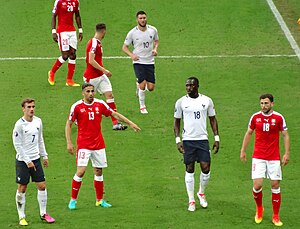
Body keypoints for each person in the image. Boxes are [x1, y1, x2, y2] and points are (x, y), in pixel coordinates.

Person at [65, 83, 141, 210]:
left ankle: (99, 200)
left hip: (98, 144)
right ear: (83, 93)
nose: (91, 94)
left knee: (98, 171)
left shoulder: (100, 104)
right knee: (81, 171)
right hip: (84, 145)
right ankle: (73, 200)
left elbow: (114, 114)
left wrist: (130, 123)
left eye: (92, 91)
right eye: (88, 91)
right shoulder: (77, 107)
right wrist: (69, 142)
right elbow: (69, 124)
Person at [240, 94, 290, 227]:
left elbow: (285, 135)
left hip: (274, 157)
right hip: (258, 156)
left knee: (275, 185)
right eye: (261, 103)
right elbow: (249, 133)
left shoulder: (279, 118)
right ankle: (259, 209)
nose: (263, 106)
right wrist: (243, 150)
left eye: (266, 103)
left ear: (272, 104)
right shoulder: (255, 117)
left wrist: (286, 153)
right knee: (257, 185)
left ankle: (275, 215)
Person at [173, 77, 220, 212]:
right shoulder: (181, 102)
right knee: (190, 168)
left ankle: (201, 192)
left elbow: (212, 119)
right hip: (188, 140)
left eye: (191, 85)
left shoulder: (206, 101)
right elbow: (176, 122)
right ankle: (191, 200)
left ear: (197, 86)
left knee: (206, 168)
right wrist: (178, 140)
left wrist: (216, 137)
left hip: (202, 139)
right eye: (187, 85)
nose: (189, 88)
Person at [13, 98, 55, 226]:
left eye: (33, 106)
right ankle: (22, 217)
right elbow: (17, 145)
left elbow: (40, 139)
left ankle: (43, 214)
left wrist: (44, 155)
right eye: (29, 107)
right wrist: (27, 161)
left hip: (36, 159)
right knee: (22, 187)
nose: (32, 109)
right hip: (23, 161)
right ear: (23, 109)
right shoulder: (19, 125)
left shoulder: (38, 121)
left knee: (42, 186)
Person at [84, 23, 127, 130]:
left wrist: (102, 72)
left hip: (100, 76)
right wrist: (104, 70)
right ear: (103, 31)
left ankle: (115, 123)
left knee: (110, 95)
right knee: (88, 99)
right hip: (91, 77)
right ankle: (78, 118)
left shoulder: (97, 43)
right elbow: (91, 60)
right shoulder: (93, 43)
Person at [122, 10, 159, 114]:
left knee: (150, 87)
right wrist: (132, 55)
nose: (142, 20)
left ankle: (138, 84)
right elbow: (124, 47)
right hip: (138, 61)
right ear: (137, 20)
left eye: (144, 18)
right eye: (140, 18)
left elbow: (156, 41)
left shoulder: (153, 30)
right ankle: (142, 106)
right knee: (142, 84)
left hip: (150, 61)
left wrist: (155, 49)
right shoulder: (132, 33)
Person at [48, 0, 83, 87]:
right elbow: (54, 16)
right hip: (62, 32)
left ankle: (69, 80)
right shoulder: (59, 1)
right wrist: (53, 31)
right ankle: (52, 72)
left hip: (72, 31)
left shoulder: (75, 1)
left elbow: (77, 15)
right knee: (65, 55)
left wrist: (80, 30)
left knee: (73, 54)